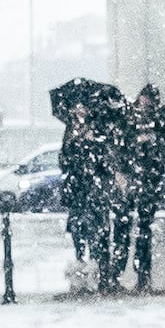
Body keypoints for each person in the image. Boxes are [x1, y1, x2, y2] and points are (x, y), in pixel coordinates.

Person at [48, 78, 123, 295]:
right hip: (76, 188)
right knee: (77, 230)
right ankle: (80, 267)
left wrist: (92, 142)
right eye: (76, 107)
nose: (79, 110)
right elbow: (64, 162)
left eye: (82, 106)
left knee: (97, 232)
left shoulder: (98, 130)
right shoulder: (69, 132)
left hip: (94, 188)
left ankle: (98, 271)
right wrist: (73, 145)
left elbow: (105, 161)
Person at [112, 82, 165, 292]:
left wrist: (155, 140)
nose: (146, 105)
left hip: (149, 180)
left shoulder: (161, 117)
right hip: (132, 179)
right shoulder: (128, 118)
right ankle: (118, 272)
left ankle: (141, 275)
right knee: (123, 227)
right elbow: (117, 147)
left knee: (142, 230)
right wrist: (122, 171)